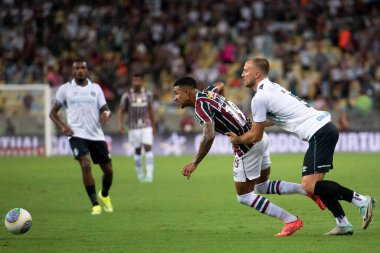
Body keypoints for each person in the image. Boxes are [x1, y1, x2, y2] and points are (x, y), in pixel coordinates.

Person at [226, 57, 376, 235]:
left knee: (309, 185)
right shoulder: (273, 88)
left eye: (245, 70)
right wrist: (253, 125)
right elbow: (275, 119)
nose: (242, 74)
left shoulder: (260, 97)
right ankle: (342, 223)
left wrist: (238, 140)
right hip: (325, 128)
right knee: (317, 184)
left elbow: (256, 136)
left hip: (319, 132)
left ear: (257, 74)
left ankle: (361, 200)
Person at [173, 76, 325, 237]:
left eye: (176, 93)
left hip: (247, 145)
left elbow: (208, 136)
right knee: (262, 186)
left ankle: (290, 220)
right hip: (259, 136)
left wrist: (195, 162)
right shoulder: (208, 93)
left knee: (244, 197)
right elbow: (220, 84)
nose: (174, 98)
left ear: (186, 92)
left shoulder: (200, 107)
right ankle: (307, 191)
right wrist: (225, 109)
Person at [49, 59, 114, 215]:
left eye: (82, 68)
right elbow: (52, 113)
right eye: (76, 68)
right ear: (73, 71)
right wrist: (63, 126)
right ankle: (95, 204)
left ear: (87, 70)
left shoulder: (96, 88)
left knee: (108, 170)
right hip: (76, 134)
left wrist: (107, 113)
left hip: (96, 134)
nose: (79, 71)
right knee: (85, 164)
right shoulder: (65, 89)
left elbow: (105, 108)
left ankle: (104, 195)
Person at [118, 73, 156, 183]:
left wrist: (154, 124)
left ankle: (149, 175)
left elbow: (151, 110)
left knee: (148, 148)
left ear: (142, 81)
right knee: (138, 150)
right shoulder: (127, 95)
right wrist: (120, 125)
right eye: (135, 81)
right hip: (133, 127)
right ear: (132, 82)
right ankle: (140, 175)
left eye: (139, 80)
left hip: (146, 126)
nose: (137, 83)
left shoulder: (148, 94)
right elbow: (121, 111)